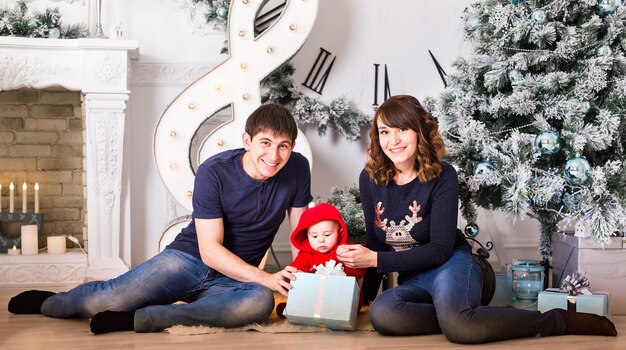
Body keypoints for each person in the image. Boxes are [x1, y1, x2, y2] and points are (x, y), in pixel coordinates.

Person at [8, 103, 312, 334]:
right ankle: (51, 301)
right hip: (187, 260)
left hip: (234, 279)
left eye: (283, 145)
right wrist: (266, 277)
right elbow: (209, 250)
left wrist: (302, 278)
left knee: (258, 303)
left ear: (292, 147)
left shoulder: (297, 168)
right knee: (101, 301)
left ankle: (145, 317)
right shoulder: (215, 170)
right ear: (247, 140)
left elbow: (300, 235)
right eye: (266, 143)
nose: (274, 155)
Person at [336, 95, 617, 344]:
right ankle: (458, 314)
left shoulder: (442, 175)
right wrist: (364, 297)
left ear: (419, 132)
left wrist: (374, 260)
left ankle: (557, 320)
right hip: (416, 280)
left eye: (402, 130)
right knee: (383, 314)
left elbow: (439, 250)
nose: (393, 140)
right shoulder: (371, 178)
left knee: (461, 329)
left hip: (453, 266)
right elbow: (376, 244)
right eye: (384, 132)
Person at [276, 203, 366, 317]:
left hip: (340, 297)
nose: (321, 240)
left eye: (327, 235)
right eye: (314, 236)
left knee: (350, 302)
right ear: (307, 236)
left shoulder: (345, 250)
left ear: (340, 233)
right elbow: (297, 268)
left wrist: (351, 263)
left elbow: (359, 272)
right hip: (315, 295)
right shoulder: (306, 254)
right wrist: (297, 274)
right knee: (304, 296)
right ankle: (296, 309)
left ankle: (340, 312)